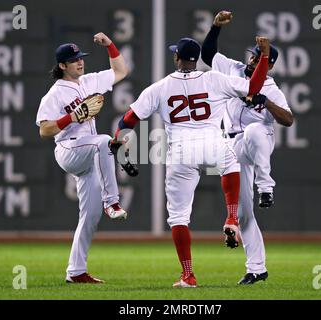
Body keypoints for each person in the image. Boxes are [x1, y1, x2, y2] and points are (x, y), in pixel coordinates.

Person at [111, 36, 271, 287]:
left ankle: (188, 275)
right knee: (231, 163)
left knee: (178, 217)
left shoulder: (160, 87)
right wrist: (263, 57)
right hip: (212, 143)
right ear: (196, 60)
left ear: (176, 58)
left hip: (180, 152)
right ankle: (231, 217)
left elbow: (129, 119)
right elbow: (255, 87)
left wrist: (119, 140)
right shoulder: (213, 78)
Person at [201, 11, 294, 285]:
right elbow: (208, 55)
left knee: (253, 130)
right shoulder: (234, 70)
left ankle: (266, 187)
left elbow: (288, 119)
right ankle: (257, 269)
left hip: (259, 141)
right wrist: (215, 28)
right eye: (252, 55)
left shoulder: (272, 88)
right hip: (233, 145)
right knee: (242, 213)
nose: (252, 59)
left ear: (269, 63)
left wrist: (266, 102)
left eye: (258, 57)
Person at [36, 32, 129, 284]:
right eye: (74, 60)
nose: (80, 62)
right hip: (68, 149)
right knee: (103, 141)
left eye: (81, 58)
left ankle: (75, 271)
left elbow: (121, 71)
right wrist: (72, 117)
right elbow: (44, 130)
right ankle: (112, 201)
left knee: (90, 215)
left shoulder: (89, 81)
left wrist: (109, 45)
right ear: (62, 65)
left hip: (88, 156)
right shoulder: (54, 94)